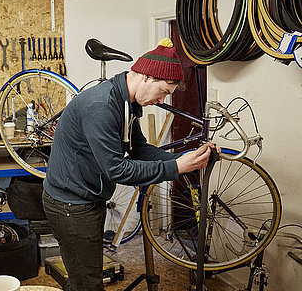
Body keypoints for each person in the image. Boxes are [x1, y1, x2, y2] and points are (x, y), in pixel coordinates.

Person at [42, 38, 216, 291]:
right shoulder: (101, 106)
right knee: (87, 282)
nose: (162, 101)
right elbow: (117, 169)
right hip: (71, 205)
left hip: (86, 198)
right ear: (147, 78)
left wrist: (186, 159)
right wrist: (176, 168)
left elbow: (139, 149)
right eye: (164, 92)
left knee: (83, 277)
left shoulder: (128, 103)